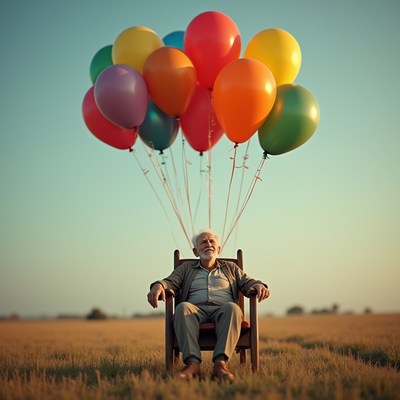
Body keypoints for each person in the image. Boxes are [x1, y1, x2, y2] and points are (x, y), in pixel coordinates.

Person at [147, 229, 270, 381]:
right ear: (195, 251)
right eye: (203, 242)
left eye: (212, 242)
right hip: (195, 311)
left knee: (233, 308)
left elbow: (247, 282)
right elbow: (169, 282)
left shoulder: (230, 267)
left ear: (218, 249)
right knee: (182, 308)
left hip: (223, 311)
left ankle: (220, 365)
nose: (208, 244)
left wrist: (258, 285)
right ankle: (192, 365)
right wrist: (158, 285)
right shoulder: (186, 268)